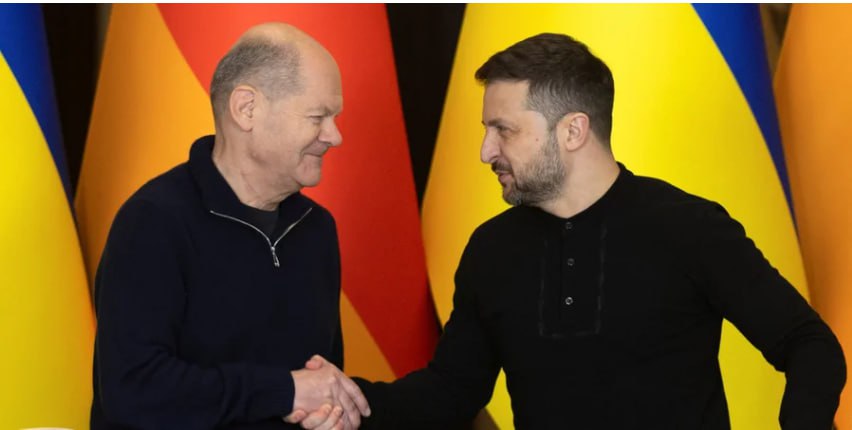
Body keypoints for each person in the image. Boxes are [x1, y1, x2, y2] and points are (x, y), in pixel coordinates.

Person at [292, 33, 846, 429]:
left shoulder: (689, 226)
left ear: (574, 131)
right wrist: (346, 399)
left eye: (503, 130)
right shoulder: (491, 250)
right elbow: (451, 392)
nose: (485, 151)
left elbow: (810, 345)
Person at [90, 23, 369, 430]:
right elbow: (133, 391)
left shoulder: (317, 229)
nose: (335, 136)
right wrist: (284, 391)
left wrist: (328, 415)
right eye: (318, 116)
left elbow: (318, 383)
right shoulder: (152, 222)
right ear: (246, 109)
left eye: (334, 117)